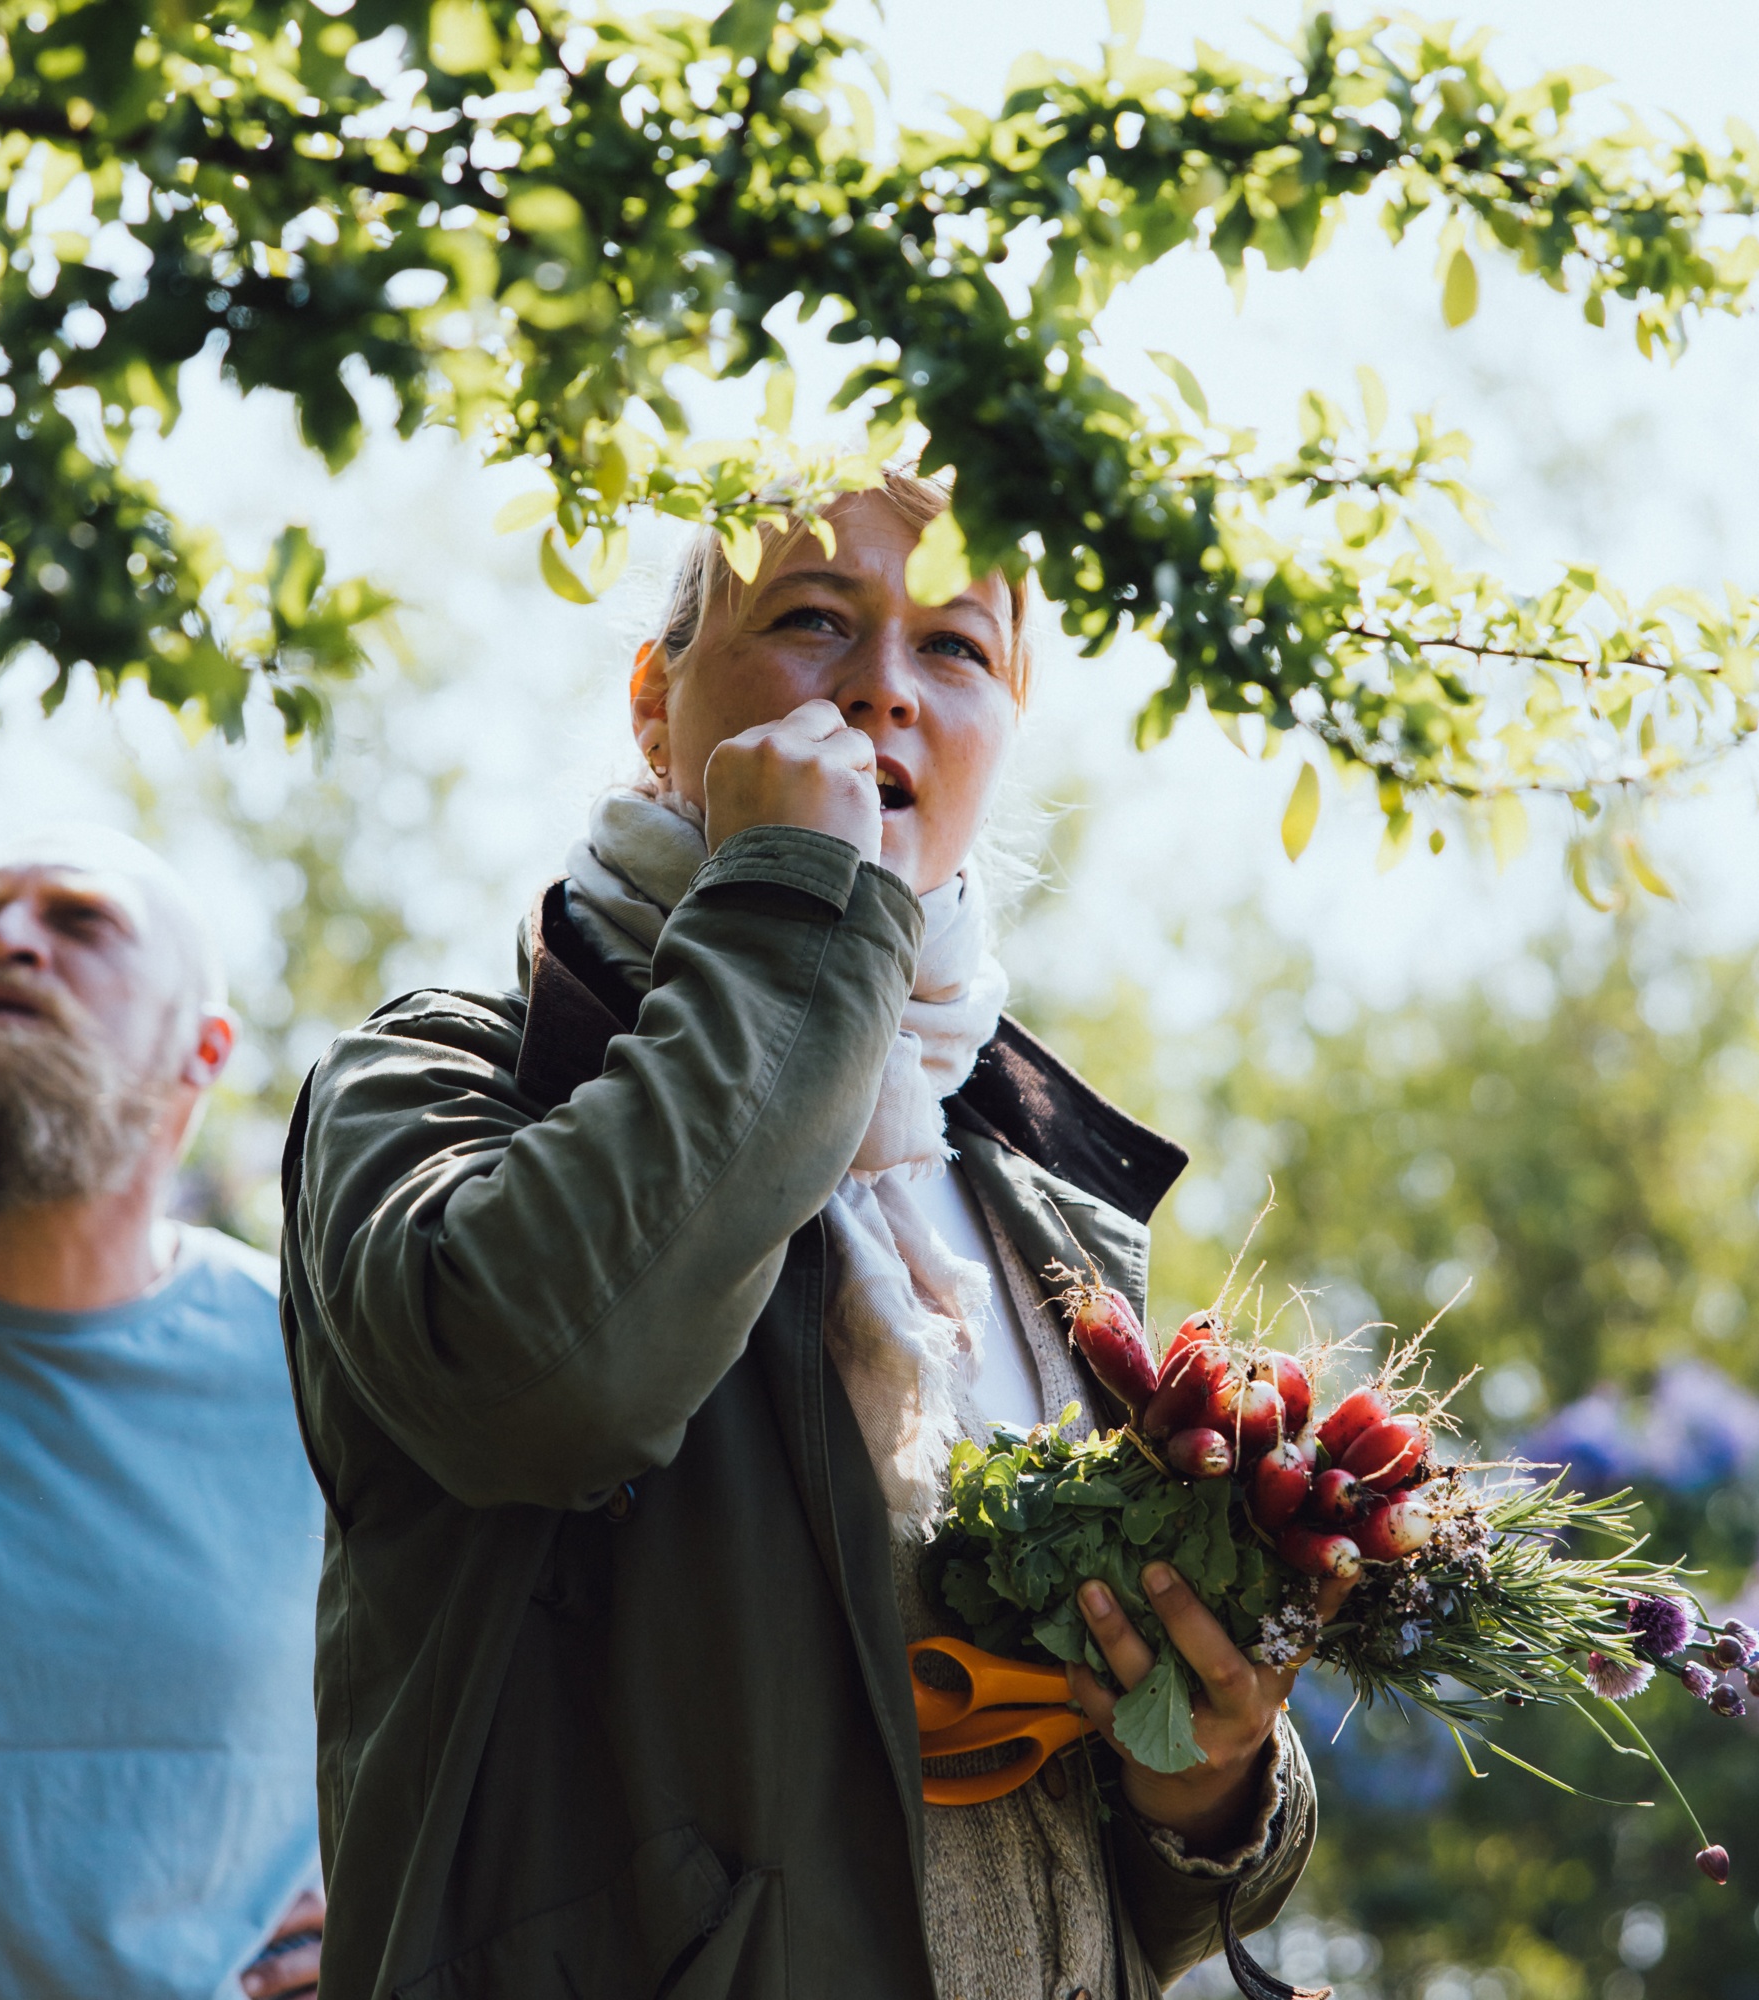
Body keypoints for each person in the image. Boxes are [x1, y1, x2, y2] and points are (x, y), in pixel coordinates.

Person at [283, 474, 1336, 1999]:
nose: (881, 691)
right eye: (812, 620)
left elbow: (1084, 1864)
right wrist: (789, 901)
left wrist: (1217, 1782)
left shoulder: (1036, 1201)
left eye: (957, 650)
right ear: (656, 706)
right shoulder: (444, 1086)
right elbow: (550, 1383)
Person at [0, 827, 327, 2000]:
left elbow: (495, 1713)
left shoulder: (328, 1363)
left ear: (200, 1054)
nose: (3, 941)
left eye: (79, 921)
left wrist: (402, 1925)